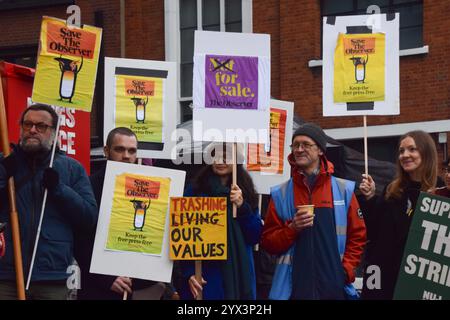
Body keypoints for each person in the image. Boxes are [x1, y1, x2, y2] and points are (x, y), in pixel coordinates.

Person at [0, 103, 97, 300]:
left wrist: (59, 189)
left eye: (41, 126)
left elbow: (89, 219)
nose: (33, 130)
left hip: (51, 277)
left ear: (54, 132)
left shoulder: (72, 169)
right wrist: (2, 176)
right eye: (27, 124)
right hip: (7, 275)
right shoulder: (5, 163)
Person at [261, 122, 366, 300]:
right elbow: (268, 243)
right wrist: (292, 228)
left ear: (320, 150)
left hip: (334, 288)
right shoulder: (280, 194)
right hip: (293, 288)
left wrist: (345, 271)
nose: (299, 149)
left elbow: (358, 235)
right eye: (295, 145)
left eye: (306, 145)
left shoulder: (343, 190)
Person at [75, 127, 163, 300]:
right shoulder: (89, 186)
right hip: (95, 288)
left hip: (131, 286)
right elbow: (79, 239)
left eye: (132, 150)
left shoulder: (148, 187)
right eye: (119, 149)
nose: (126, 155)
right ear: (106, 151)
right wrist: (105, 279)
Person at [359, 130, 438, 299]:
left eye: (412, 149)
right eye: (401, 151)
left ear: (426, 153)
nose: (405, 155)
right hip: (385, 280)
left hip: (420, 282)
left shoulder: (440, 192)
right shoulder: (391, 189)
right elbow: (373, 230)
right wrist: (370, 198)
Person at [179, 143, 262, 300]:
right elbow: (183, 236)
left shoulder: (247, 192)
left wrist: (242, 207)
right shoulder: (195, 190)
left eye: (226, 156)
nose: (219, 160)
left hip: (238, 273)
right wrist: (190, 272)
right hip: (205, 275)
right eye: (215, 155)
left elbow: (254, 236)